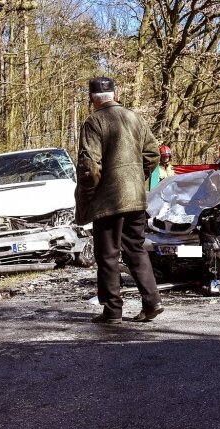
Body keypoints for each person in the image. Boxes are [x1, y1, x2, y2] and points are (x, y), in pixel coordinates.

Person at [74, 76, 164, 324]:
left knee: (108, 256)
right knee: (136, 249)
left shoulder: (94, 122)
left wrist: (89, 196)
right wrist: (138, 177)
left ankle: (113, 311)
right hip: (136, 198)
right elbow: (152, 153)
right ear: (115, 94)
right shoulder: (135, 117)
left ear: (92, 98)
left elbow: (90, 166)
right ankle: (152, 301)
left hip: (109, 201)